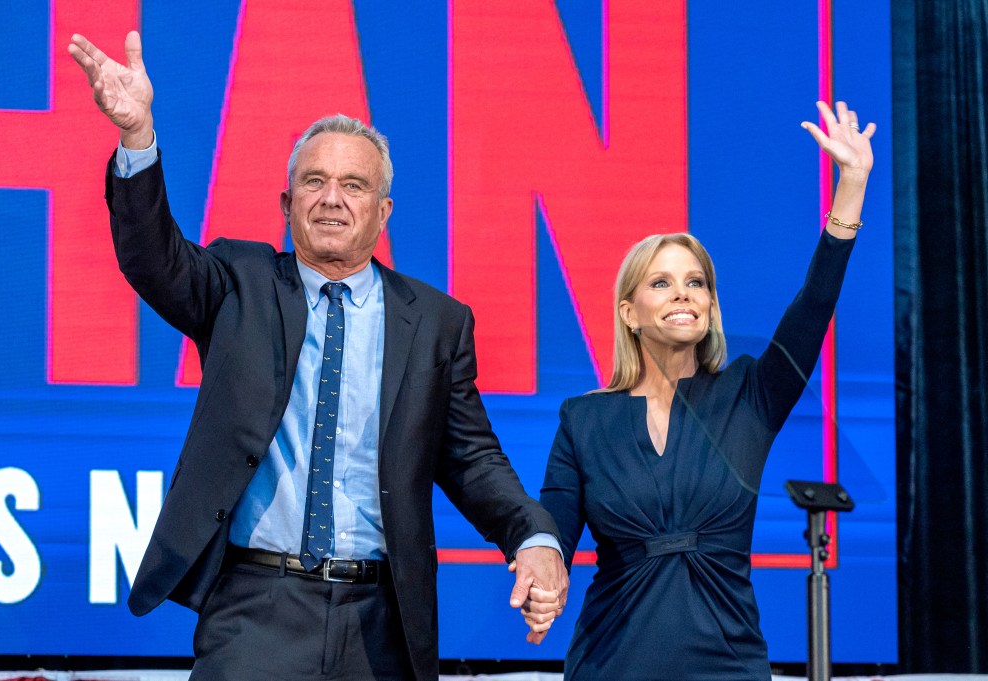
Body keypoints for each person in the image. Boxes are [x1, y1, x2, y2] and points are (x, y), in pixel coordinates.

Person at [68, 31, 567, 681]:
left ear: (382, 211)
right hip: (256, 607)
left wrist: (533, 537)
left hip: (381, 618)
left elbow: (471, 457)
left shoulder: (437, 323)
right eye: (315, 181)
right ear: (287, 203)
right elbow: (152, 258)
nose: (333, 198)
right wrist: (138, 137)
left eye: (354, 185)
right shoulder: (237, 282)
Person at [531, 100, 875, 680]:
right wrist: (543, 577)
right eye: (661, 283)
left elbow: (813, 306)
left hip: (727, 664)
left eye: (696, 283)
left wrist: (851, 189)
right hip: (610, 661)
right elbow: (553, 534)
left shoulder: (750, 393)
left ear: (711, 305)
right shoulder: (582, 420)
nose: (682, 293)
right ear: (629, 312)